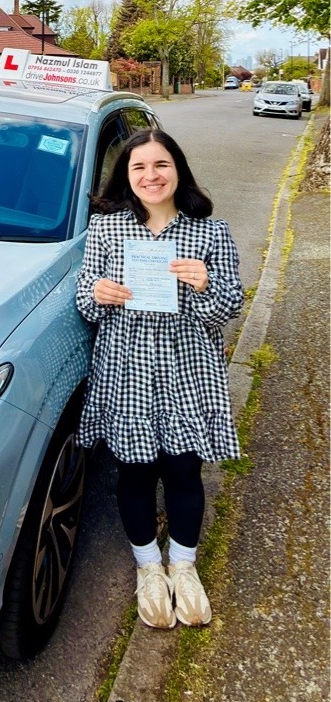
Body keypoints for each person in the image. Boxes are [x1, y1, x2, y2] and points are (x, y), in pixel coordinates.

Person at [75, 128, 243, 629]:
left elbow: (228, 308)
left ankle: (184, 566)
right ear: (127, 177)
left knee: (183, 471)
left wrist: (206, 284)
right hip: (125, 367)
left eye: (161, 165)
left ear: (178, 170)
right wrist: (99, 292)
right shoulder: (106, 230)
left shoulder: (211, 233)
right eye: (139, 168)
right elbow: (85, 300)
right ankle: (149, 568)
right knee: (135, 473)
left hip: (188, 368)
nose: (151, 176)